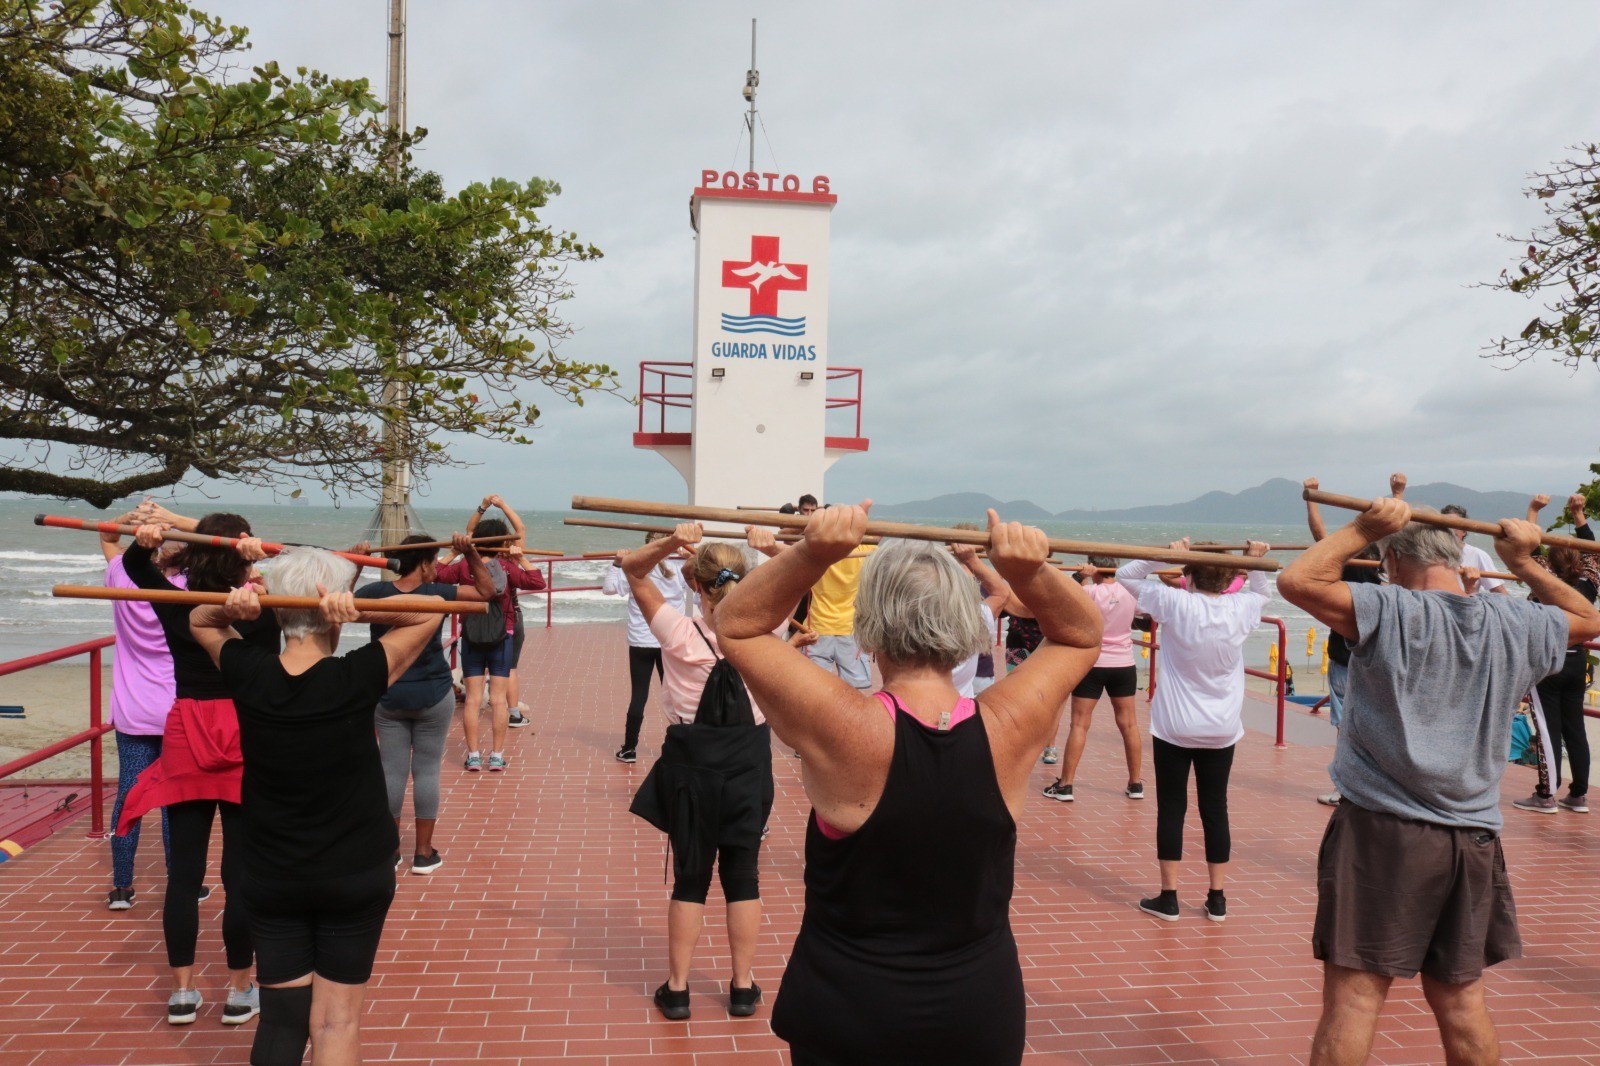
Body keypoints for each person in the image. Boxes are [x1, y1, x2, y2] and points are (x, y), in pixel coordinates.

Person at [716, 504, 1103, 1065]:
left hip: (849, 1014)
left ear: (869, 629)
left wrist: (815, 552)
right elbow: (1079, 634)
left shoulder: (846, 727)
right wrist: (1028, 571)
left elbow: (737, 623)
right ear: (968, 625)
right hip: (976, 1015)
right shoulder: (1009, 726)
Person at [1277, 497, 1600, 1066]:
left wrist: (1361, 528)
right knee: (1461, 1000)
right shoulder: (1517, 620)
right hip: (1472, 836)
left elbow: (1297, 579)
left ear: (1394, 561)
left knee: (1354, 1000)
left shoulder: (1389, 608)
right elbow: (1591, 618)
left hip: (1384, 832)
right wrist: (1525, 563)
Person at [189, 550, 441, 1066]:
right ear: (331, 606)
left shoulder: (248, 671)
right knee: (335, 1020)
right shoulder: (359, 674)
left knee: (282, 1019)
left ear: (281, 611)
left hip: (272, 872)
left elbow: (198, 618)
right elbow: (430, 610)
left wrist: (238, 607)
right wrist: (360, 612)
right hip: (355, 871)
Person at [618, 525, 786, 1022]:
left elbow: (633, 569)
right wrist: (771, 546)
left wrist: (670, 543)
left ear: (695, 585)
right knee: (743, 875)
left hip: (693, 763)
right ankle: (740, 987)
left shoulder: (677, 630)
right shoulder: (767, 628)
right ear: (749, 581)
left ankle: (678, 989)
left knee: (691, 877)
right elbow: (807, 571)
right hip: (749, 761)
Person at [117, 515, 270, 1026]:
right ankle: (239, 989)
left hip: (188, 730)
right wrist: (257, 566)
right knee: (240, 873)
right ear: (240, 554)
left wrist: (145, 545)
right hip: (243, 731)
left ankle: (183, 993)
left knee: (184, 873)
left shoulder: (178, 602)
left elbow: (140, 569)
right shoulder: (259, 606)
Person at [1116, 539, 1272, 923]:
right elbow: (1262, 590)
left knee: (1172, 807)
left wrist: (1164, 554)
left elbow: (1125, 574)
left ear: (1187, 575)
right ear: (1227, 580)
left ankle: (1169, 898)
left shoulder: (1175, 602)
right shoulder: (1242, 607)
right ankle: (1217, 898)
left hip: (1175, 727)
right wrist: (1253, 561)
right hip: (1221, 729)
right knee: (1215, 809)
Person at [356, 533, 498, 874]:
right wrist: (472, 554)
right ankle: (423, 853)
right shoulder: (435, 593)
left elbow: (339, 602)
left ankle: (389, 853)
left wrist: (357, 562)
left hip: (388, 693)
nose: (438, 566)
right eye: (433, 561)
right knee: (426, 771)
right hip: (433, 693)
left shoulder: (375, 593)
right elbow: (487, 592)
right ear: (422, 564)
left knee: (391, 772)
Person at [100, 501, 187, 911]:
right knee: (174, 800)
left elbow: (107, 536)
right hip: (175, 710)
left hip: (133, 711)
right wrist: (169, 521)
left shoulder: (121, 577)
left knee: (129, 797)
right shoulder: (186, 589)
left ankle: (121, 886)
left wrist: (130, 521)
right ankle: (181, 883)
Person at [1304, 475, 1390, 807]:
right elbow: (1396, 530)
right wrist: (1395, 496)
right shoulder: (1384, 574)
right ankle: (1369, 786)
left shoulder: (1343, 569)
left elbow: (1319, 536)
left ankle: (1350, 788)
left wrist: (1311, 498)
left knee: (1346, 727)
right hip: (1375, 658)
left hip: (1345, 657)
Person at [1512, 493, 1597, 814]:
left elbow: (1529, 549)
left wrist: (1533, 510)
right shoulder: (1590, 583)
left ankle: (1546, 794)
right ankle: (1578, 795)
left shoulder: (1544, 580)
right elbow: (1591, 548)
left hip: (1547, 664)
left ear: (1552, 563)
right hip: (1578, 663)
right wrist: (1579, 513)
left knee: (1549, 729)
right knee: (1575, 728)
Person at [450, 496, 546, 772]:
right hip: (501, 635)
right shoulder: (507, 567)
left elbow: (438, 573)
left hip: (471, 636)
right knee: (498, 699)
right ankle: (496, 755)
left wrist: (455, 552)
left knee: (473, 698)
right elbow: (537, 581)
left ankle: (473, 756)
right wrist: (522, 558)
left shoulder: (465, 566)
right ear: (503, 542)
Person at [1044, 556, 1144, 802]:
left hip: (1093, 663)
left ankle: (1066, 786)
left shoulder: (1088, 591)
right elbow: (1145, 618)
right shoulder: (1130, 591)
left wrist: (1080, 576)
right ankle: (1136, 784)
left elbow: (1061, 599)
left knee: (1079, 724)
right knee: (1129, 725)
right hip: (1123, 664)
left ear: (1094, 567)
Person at [603, 533, 690, 763]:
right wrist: (689, 554)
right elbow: (699, 582)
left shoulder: (635, 566)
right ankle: (684, 746)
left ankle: (629, 748)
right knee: (676, 694)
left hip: (642, 640)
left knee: (639, 695)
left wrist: (617, 562)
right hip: (669, 639)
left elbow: (609, 588)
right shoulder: (678, 565)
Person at [466, 494, 540, 728]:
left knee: (479, 667)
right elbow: (520, 527)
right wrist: (502, 504)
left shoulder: (472, 560)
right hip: (509, 618)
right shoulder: (510, 558)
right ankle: (513, 713)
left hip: (476, 619)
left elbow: (469, 532)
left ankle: (486, 702)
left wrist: (483, 507)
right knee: (510, 667)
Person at [949, 542, 1010, 698]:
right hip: (972, 673)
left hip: (979, 670)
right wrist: (972, 560)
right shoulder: (978, 606)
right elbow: (1002, 594)